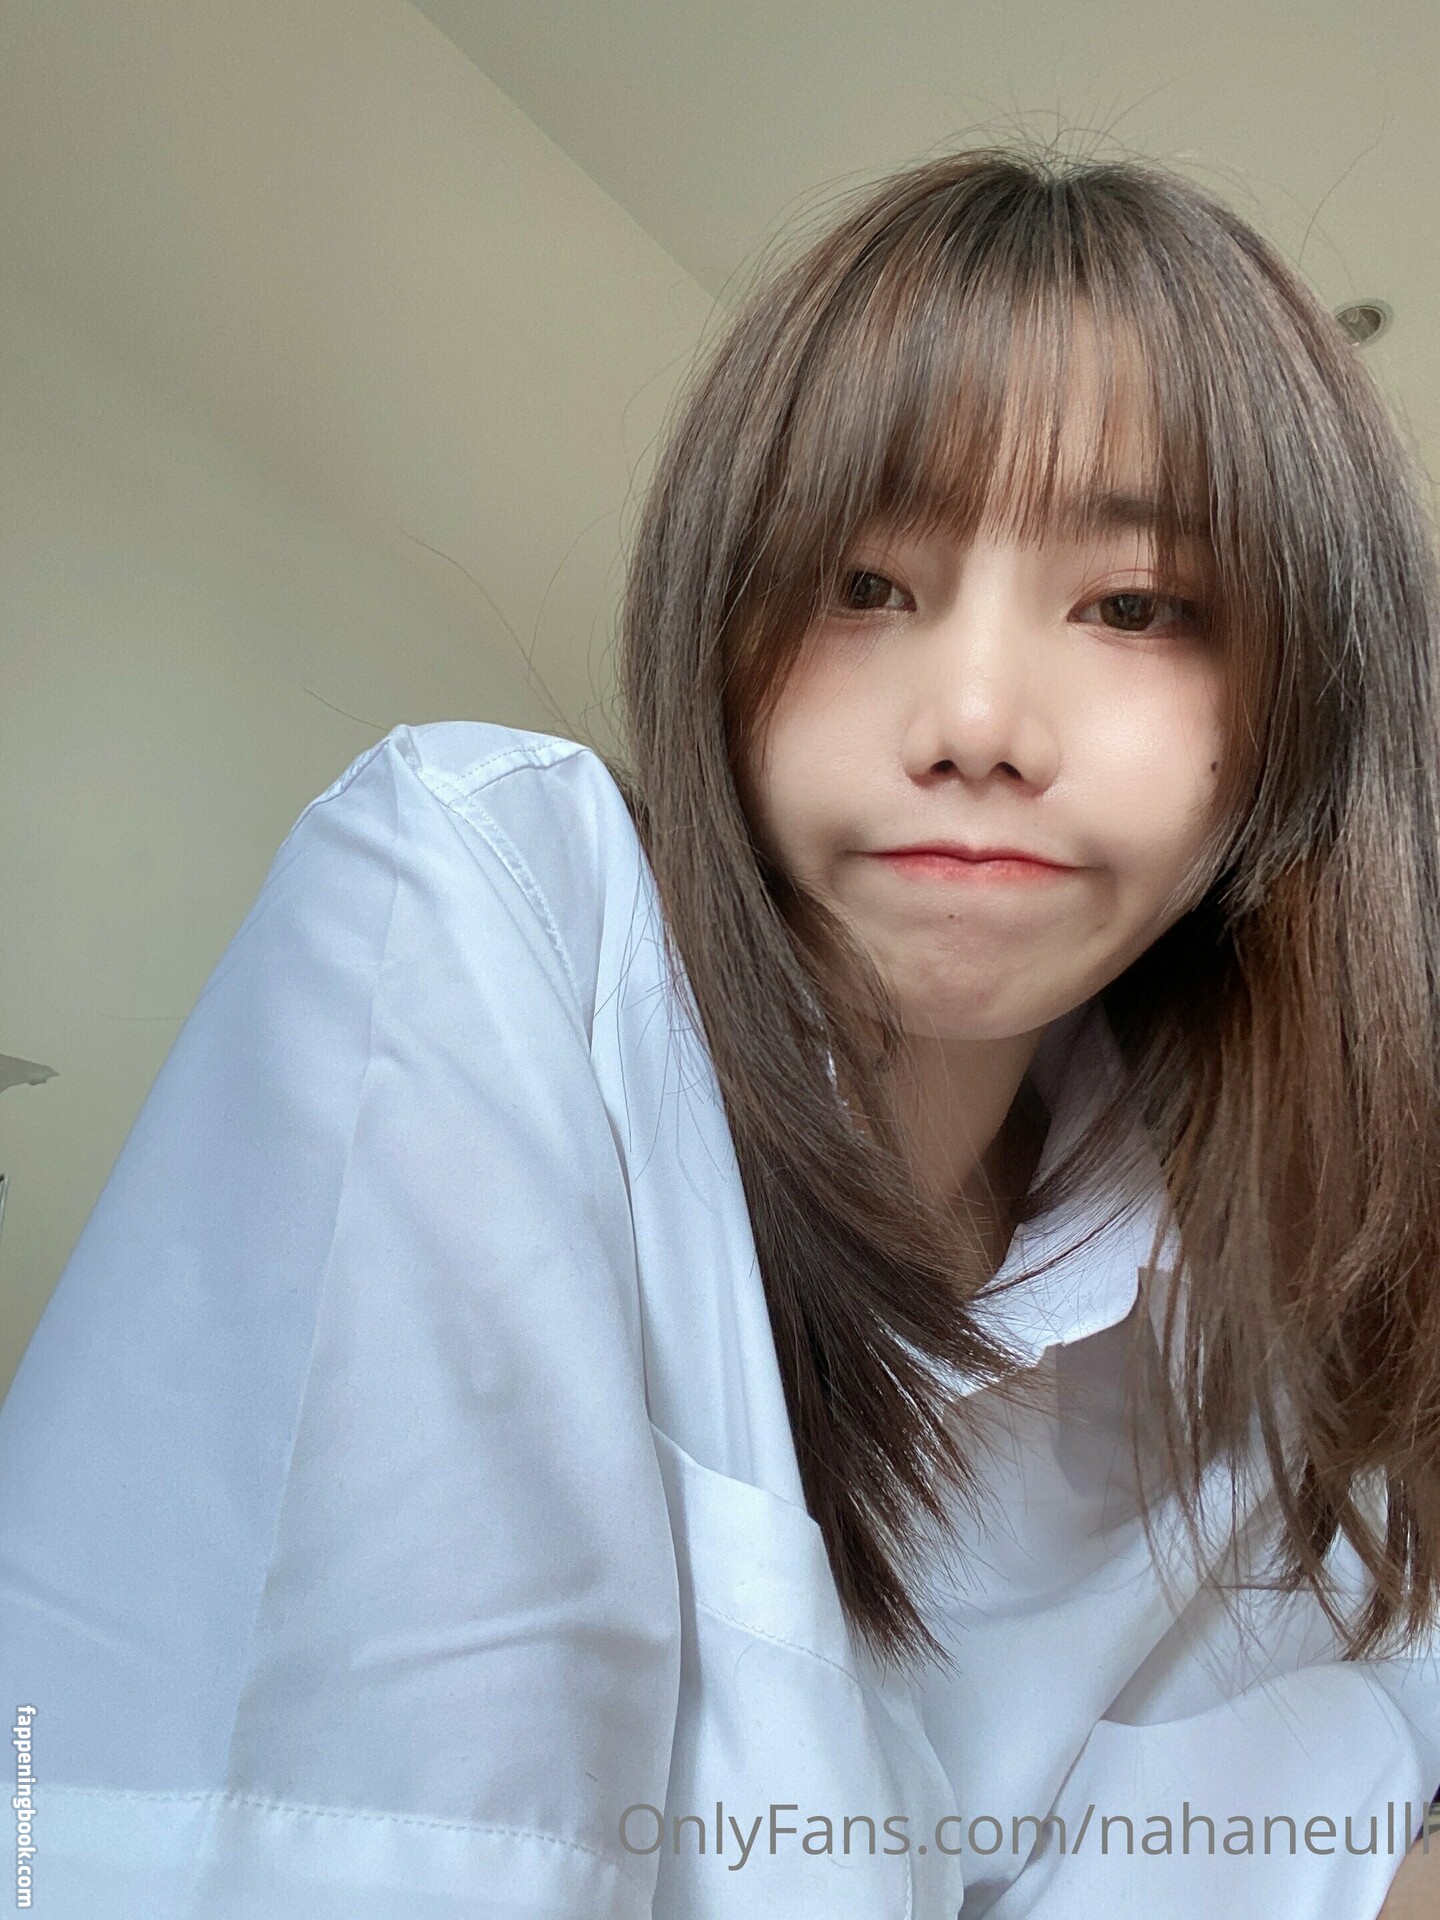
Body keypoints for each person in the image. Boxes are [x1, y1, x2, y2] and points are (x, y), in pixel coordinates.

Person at [2, 141, 1439, 1920]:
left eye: (1134, 607)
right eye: (864, 584)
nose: (978, 720)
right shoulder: (498, 896)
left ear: (1301, 702)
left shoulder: (1253, 1305)